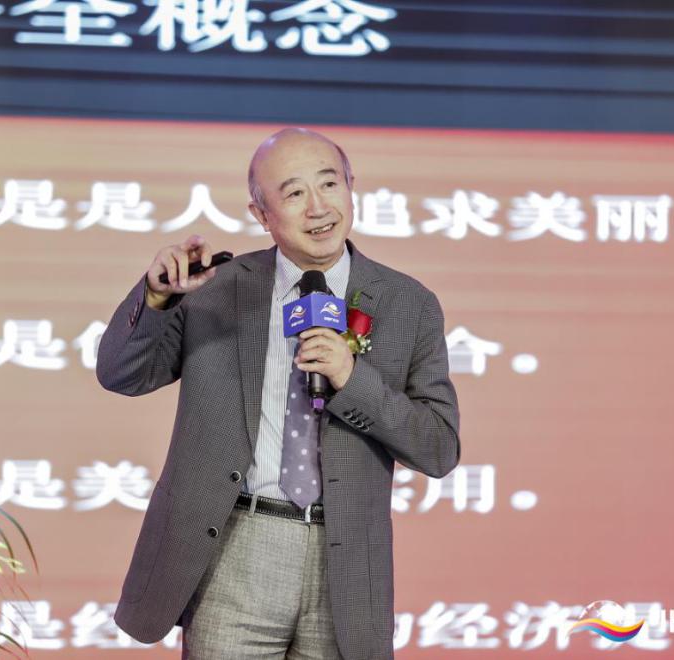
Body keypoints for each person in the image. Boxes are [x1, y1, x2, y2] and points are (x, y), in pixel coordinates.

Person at [97, 128, 460, 659]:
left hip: (346, 564)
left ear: (351, 188)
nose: (318, 207)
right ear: (261, 214)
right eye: (293, 193)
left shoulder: (408, 304)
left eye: (329, 184)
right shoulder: (215, 288)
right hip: (235, 550)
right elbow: (122, 374)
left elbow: (438, 448)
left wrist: (352, 377)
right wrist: (156, 297)